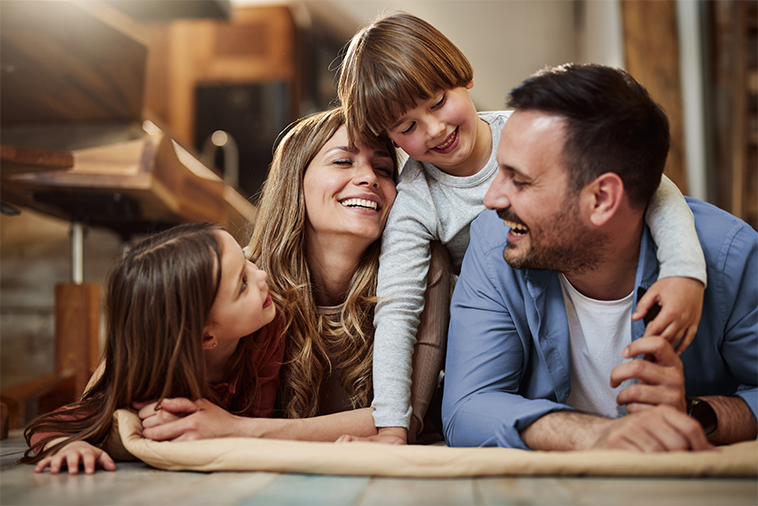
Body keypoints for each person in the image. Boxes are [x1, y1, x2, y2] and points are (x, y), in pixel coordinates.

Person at [337, 12, 708, 445]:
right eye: (408, 126)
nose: (435, 129)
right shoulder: (417, 201)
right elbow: (398, 309)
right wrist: (392, 429)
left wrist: (684, 270)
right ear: (391, 139)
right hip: (510, 327)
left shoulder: (529, 133)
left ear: (463, 77)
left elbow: (651, 185)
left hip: (592, 294)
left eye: (438, 101)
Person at [442, 63, 757, 451]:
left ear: (602, 199)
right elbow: (467, 408)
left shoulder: (730, 257)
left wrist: (695, 413)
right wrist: (599, 434)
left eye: (519, 180)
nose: (492, 199)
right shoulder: (496, 243)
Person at [136, 107, 451, 442]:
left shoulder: (423, 268)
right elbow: (127, 382)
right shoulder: (249, 283)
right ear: (295, 179)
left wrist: (239, 430)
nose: (370, 177)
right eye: (343, 161)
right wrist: (81, 438)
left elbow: (403, 419)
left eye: (384, 168)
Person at [23, 223, 285, 474]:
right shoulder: (151, 383)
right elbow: (49, 426)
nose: (261, 275)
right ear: (205, 337)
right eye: (242, 283)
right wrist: (71, 447)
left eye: (245, 259)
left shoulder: (267, 331)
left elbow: (258, 427)